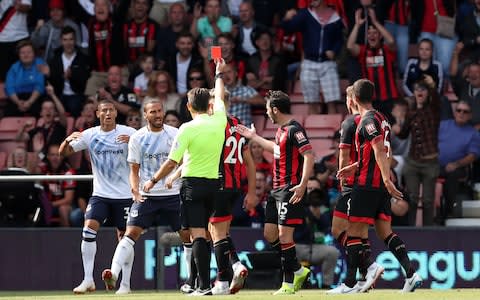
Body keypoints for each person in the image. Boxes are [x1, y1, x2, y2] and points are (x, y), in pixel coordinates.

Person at [143, 58, 228, 296]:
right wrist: (219, 73)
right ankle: (201, 284)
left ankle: (202, 286)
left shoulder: (186, 128)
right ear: (209, 105)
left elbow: (172, 162)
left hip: (192, 185)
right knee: (205, 236)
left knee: (198, 235)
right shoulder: (219, 119)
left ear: (189, 107)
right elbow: (220, 95)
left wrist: (152, 181)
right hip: (214, 184)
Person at [330, 79, 421, 294]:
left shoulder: (367, 120)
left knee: (354, 234)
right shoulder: (383, 118)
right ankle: (410, 273)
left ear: (353, 98)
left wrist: (388, 180)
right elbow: (374, 154)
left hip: (367, 184)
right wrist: (356, 167)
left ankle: (352, 283)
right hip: (377, 184)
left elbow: (380, 150)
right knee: (385, 232)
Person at [101, 97, 187, 294]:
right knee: (129, 234)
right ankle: (114, 275)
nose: (158, 115)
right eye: (153, 112)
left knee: (187, 237)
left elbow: (183, 161)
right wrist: (135, 191)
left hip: (173, 193)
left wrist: (174, 177)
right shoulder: (138, 138)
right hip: (147, 195)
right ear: (145, 115)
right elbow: (134, 170)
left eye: (160, 111)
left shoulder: (175, 134)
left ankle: (192, 282)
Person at [236, 90, 315, 295]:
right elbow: (277, 149)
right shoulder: (281, 131)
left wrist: (303, 184)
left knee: (284, 235)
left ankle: (288, 283)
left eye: (267, 110)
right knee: (270, 234)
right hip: (276, 189)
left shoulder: (295, 129)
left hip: (290, 188)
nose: (266, 114)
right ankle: (297, 269)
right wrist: (253, 136)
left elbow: (309, 155)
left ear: (275, 109)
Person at [58, 100, 136, 294]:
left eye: (111, 110)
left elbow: (147, 150)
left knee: (124, 238)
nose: (108, 113)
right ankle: (88, 280)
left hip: (125, 195)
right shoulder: (90, 135)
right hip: (101, 194)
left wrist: (134, 144)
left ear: (116, 113)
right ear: (98, 114)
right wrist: (68, 140)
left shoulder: (129, 133)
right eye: (104, 111)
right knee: (88, 229)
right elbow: (63, 154)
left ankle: (125, 284)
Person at [208, 91, 257, 295]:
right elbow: (250, 163)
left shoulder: (213, 125)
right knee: (220, 231)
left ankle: (222, 279)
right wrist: (252, 192)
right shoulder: (238, 124)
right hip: (234, 187)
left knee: (216, 233)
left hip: (217, 185)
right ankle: (236, 264)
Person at [393, 77, 441, 226]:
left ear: (427, 93)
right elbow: (404, 134)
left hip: (429, 161)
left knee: (427, 200)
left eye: (423, 89)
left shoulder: (433, 109)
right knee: (411, 198)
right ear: (413, 93)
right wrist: (397, 128)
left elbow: (436, 98)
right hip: (413, 161)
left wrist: (430, 86)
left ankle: (427, 231)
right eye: (417, 89)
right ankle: (411, 230)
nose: (419, 92)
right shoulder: (411, 112)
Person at [282, 0, 344, 114]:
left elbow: (339, 39)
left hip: (328, 63)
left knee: (332, 102)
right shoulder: (306, 14)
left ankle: (336, 131)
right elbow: (288, 28)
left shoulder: (334, 16)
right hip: (309, 62)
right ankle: (312, 132)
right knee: (312, 103)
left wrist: (334, 51)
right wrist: (286, 19)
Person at [347, 8, 398, 122]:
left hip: (389, 99)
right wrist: (357, 25)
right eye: (369, 33)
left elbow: (391, 41)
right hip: (371, 101)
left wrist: (375, 22)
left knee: (392, 130)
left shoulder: (387, 50)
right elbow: (350, 46)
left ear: (380, 36)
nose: (372, 35)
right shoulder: (363, 51)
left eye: (375, 32)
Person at [438, 101, 480, 221]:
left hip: (459, 167)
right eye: (459, 110)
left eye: (465, 111)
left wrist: (456, 164)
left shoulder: (473, 133)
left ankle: (449, 211)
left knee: (451, 175)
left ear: (470, 115)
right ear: (455, 112)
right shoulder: (442, 125)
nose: (461, 113)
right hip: (436, 165)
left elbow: (473, 155)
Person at [294, 188, 340, 289]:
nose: (316, 202)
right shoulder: (301, 210)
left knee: (332, 252)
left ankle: (326, 284)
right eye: (314, 199)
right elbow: (299, 234)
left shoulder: (321, 212)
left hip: (313, 247)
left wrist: (318, 217)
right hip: (296, 247)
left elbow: (325, 227)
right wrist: (310, 215)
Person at [47, 25, 91, 117]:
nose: (68, 43)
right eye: (65, 40)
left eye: (71, 39)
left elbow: (84, 83)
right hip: (60, 95)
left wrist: (72, 76)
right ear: (61, 41)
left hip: (76, 95)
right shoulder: (55, 59)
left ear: (75, 40)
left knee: (75, 106)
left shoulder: (83, 59)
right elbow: (53, 82)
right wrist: (51, 74)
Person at [5, 40, 47, 117]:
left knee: (39, 109)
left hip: (35, 97)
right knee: (9, 111)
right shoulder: (14, 67)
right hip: (17, 98)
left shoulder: (40, 64)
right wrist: (18, 102)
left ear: (34, 54)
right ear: (19, 55)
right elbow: (9, 88)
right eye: (22, 53)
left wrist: (29, 102)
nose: (26, 55)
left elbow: (40, 86)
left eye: (29, 52)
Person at [39, 143, 76, 227]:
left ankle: (66, 237)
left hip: (65, 206)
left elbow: (68, 199)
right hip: (47, 205)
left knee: (62, 209)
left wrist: (50, 205)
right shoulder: (43, 170)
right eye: (52, 155)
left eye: (58, 155)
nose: (55, 158)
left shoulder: (68, 172)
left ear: (62, 157)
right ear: (48, 157)